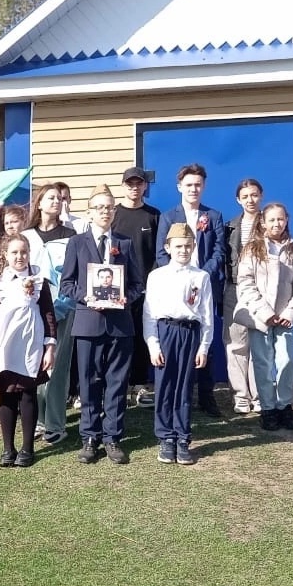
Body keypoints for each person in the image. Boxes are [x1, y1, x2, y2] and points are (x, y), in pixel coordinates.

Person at [60, 187, 145, 464]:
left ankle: (113, 437)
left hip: (120, 325)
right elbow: (66, 283)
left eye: (109, 207)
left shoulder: (125, 243)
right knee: (89, 382)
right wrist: (85, 297)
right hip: (88, 323)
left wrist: (126, 298)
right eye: (99, 207)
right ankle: (89, 437)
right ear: (89, 212)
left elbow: (137, 284)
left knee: (117, 383)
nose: (105, 212)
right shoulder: (77, 243)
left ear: (114, 211)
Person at [0, 234, 57, 468]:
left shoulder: (38, 280)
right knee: (8, 395)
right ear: (5, 255)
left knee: (28, 394)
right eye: (14, 252)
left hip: (31, 345)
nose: (19, 256)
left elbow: (48, 314)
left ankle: (27, 448)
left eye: (23, 252)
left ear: (29, 254)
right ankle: (8, 449)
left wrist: (50, 347)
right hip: (5, 347)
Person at [155, 164, 226, 415]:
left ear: (203, 186)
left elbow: (219, 250)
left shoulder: (213, 216)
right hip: (176, 289)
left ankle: (206, 396)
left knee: (205, 339)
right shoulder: (168, 217)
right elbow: (161, 253)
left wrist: (202, 275)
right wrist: (178, 279)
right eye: (188, 185)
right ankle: (175, 396)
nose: (193, 189)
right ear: (179, 187)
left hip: (204, 284)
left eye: (197, 184)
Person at [143, 222, 213, 465]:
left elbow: (206, 315)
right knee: (165, 387)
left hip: (189, 333)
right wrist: (153, 345)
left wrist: (204, 346)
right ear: (168, 247)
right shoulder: (157, 276)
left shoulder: (201, 276)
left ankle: (182, 437)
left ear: (193, 247)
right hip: (165, 332)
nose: (183, 250)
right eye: (178, 246)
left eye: (188, 246)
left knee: (184, 386)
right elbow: (149, 313)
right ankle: (166, 437)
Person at [234, 203, 293, 431]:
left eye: (281, 219)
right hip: (260, 318)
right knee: (263, 363)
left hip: (284, 318)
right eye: (272, 220)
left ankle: (284, 405)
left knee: (287, 361)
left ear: (287, 220)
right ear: (263, 223)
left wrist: (290, 312)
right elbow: (245, 283)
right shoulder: (252, 249)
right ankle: (268, 408)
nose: (277, 224)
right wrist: (264, 312)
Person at [23, 184, 76, 446]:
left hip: (62, 308)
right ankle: (35, 419)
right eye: (50, 197)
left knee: (57, 368)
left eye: (59, 198)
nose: (56, 201)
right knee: (33, 365)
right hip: (31, 311)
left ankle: (55, 423)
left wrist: (62, 306)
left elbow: (74, 274)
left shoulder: (71, 236)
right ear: (39, 203)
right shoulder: (26, 237)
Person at [111, 167, 161, 407]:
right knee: (119, 340)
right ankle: (119, 386)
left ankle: (140, 386)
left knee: (142, 338)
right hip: (116, 289)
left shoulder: (153, 215)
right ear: (123, 186)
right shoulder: (114, 214)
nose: (134, 187)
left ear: (145, 186)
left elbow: (159, 253)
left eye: (139, 183)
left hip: (145, 289)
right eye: (130, 183)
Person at [223, 179, 263, 414]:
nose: (250, 200)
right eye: (245, 196)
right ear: (238, 200)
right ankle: (240, 395)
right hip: (235, 288)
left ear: (261, 196)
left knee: (259, 344)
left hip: (261, 291)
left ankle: (259, 395)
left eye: (254, 195)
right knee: (235, 344)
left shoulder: (269, 223)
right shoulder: (230, 227)